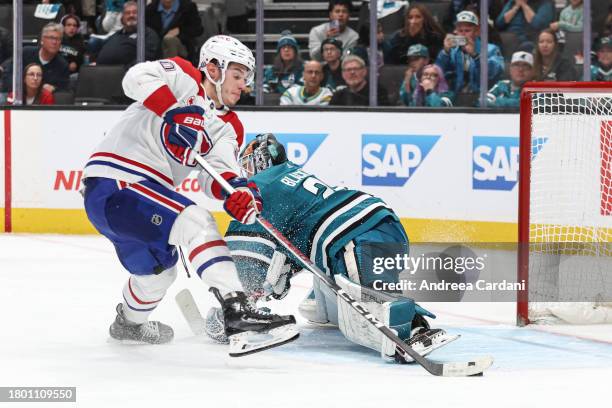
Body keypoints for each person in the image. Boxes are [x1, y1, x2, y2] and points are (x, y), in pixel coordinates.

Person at [82, 35, 297, 352]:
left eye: (246, 79)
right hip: (118, 181)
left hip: (137, 204)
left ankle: (128, 324)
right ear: (213, 68)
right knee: (196, 221)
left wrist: (238, 193)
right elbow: (134, 79)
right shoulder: (183, 77)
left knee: (158, 275)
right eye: (237, 76)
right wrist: (172, 110)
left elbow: (216, 176)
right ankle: (238, 311)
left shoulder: (227, 126)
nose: (243, 86)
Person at [202, 134, 454, 363]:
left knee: (373, 306)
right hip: (379, 224)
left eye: (247, 166)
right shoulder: (292, 179)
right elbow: (291, 252)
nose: (246, 173)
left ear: (259, 163)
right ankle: (325, 308)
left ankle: (413, 329)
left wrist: (234, 308)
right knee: (326, 280)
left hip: (357, 236)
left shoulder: (259, 188)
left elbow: (244, 261)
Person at [436, 10, 504, 97]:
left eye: (467, 30)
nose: (463, 34)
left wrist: (475, 55)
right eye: (460, 30)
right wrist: (445, 52)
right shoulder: (452, 52)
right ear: (455, 31)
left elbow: (493, 73)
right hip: (456, 97)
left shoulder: (491, 49)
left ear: (477, 31)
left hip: (483, 98)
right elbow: (438, 73)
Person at [2, 23, 70, 93]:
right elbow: (8, 73)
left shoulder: (62, 65)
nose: (55, 42)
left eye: (58, 39)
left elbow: (64, 90)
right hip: (16, 94)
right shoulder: (25, 53)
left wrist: (54, 89)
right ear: (42, 40)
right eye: (51, 38)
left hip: (43, 101)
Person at [96, 1, 161, 67]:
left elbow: (145, 59)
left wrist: (123, 70)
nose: (131, 15)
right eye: (127, 13)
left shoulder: (148, 34)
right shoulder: (116, 35)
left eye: (135, 12)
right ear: (122, 18)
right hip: (102, 71)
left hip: (128, 73)